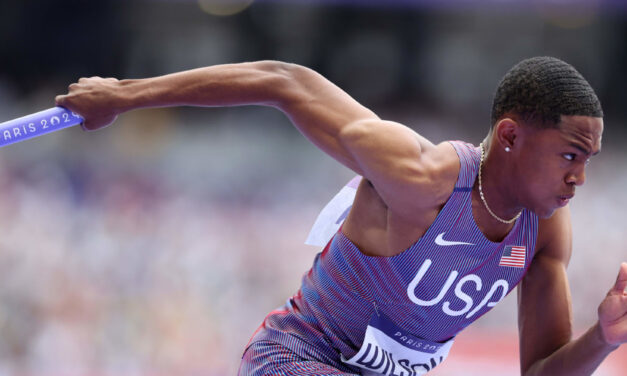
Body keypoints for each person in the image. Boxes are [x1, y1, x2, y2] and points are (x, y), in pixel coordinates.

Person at [56, 56, 626, 375]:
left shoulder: (546, 229)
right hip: (296, 359)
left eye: (589, 160)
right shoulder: (419, 176)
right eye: (570, 155)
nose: (579, 178)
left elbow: (541, 372)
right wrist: (124, 94)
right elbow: (284, 83)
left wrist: (601, 339)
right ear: (510, 136)